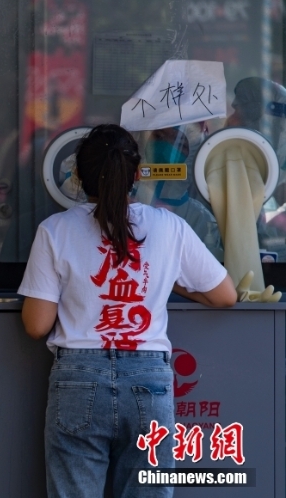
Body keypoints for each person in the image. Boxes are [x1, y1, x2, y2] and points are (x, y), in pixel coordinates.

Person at [18, 124, 237, 498]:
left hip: (78, 380)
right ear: (137, 175)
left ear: (77, 175)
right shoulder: (169, 227)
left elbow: (37, 325)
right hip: (149, 380)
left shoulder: (55, 230)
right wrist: (171, 281)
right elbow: (225, 295)